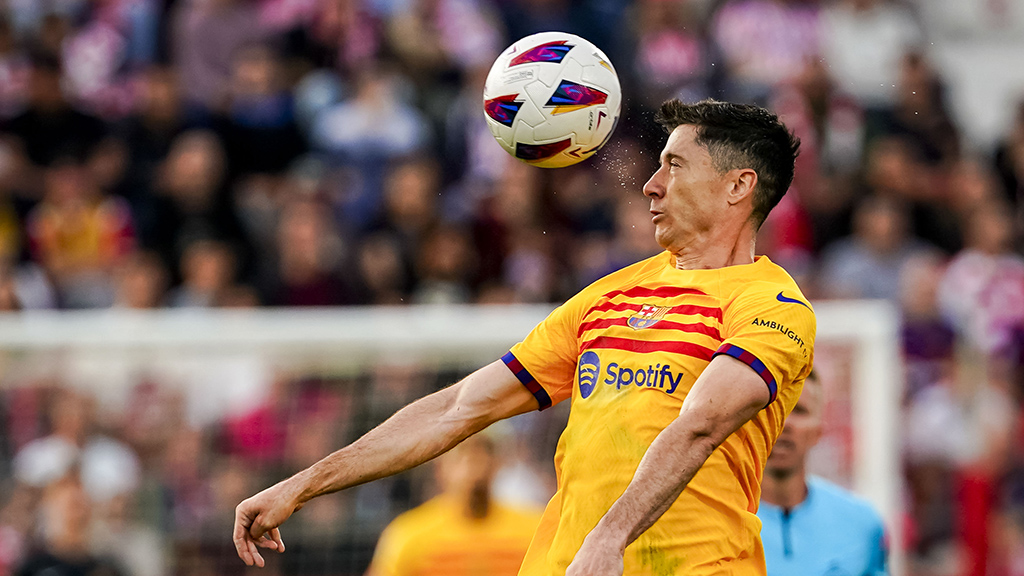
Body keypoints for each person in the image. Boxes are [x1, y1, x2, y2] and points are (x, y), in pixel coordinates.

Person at [233, 99, 815, 575]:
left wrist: (608, 539)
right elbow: (459, 408)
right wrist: (302, 485)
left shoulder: (772, 306)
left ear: (738, 186)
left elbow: (700, 424)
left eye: (675, 165)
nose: (650, 185)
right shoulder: (609, 295)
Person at [757, 371, 888, 575]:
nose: (784, 423)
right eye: (773, 409)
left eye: (798, 410)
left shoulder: (861, 523)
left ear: (819, 431)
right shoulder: (720, 520)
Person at [366, 434, 543, 576]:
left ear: (498, 463)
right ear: (441, 468)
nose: (473, 461)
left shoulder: (535, 529)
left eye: (484, 451)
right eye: (462, 453)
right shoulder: (407, 534)